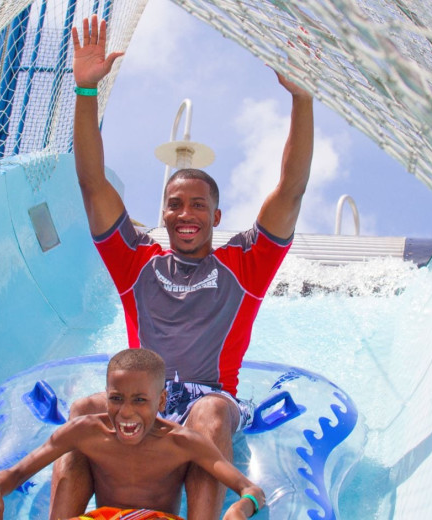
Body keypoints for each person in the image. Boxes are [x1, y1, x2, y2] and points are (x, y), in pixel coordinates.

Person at [53, 15, 313, 519]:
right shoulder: (137, 263)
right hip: (141, 403)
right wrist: (86, 94)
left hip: (207, 403)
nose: (185, 214)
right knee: (85, 411)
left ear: (216, 216)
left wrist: (301, 100)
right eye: (175, 204)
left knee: (211, 411)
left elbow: (292, 190)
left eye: (198, 205)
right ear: (163, 212)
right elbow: (92, 185)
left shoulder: (246, 265)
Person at [0, 349, 265, 520]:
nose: (126, 412)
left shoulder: (181, 443)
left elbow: (251, 489)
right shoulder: (86, 432)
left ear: (161, 402)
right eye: (116, 399)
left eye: (139, 400)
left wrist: (242, 507)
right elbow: (17, 472)